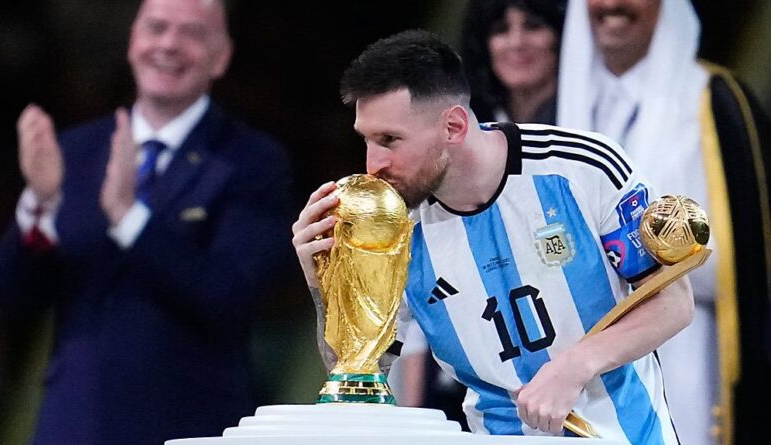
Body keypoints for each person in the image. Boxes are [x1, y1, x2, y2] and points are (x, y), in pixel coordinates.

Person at [292, 29, 694, 442]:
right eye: (366, 140)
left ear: (453, 126)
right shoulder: (392, 225)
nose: (373, 164)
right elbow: (360, 374)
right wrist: (328, 286)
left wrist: (575, 366)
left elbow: (673, 301)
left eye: (389, 140)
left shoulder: (583, 169)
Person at [0, 0, 295, 444]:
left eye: (191, 33)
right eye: (156, 28)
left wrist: (130, 219)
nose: (168, 44)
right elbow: (13, 298)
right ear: (133, 41)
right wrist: (38, 205)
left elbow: (230, 296)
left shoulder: (251, 161)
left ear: (221, 56)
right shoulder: (73, 152)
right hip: (72, 423)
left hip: (190, 426)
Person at [556, 1, 771, 444]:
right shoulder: (559, 101)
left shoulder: (715, 102)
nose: (612, 5)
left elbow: (747, 259)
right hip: (581, 360)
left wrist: (635, 261)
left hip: (688, 354)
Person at [392, 0, 567, 427]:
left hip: (565, 371)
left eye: (534, 26)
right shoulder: (458, 138)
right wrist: (415, 404)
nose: (517, 42)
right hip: (465, 371)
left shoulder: (583, 142)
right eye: (500, 30)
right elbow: (423, 262)